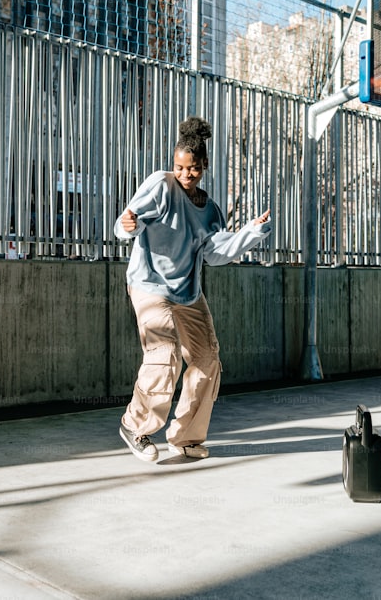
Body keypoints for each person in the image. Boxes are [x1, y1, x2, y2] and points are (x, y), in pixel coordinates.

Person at [114, 116, 271, 462]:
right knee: (164, 353)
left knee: (206, 360)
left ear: (204, 167)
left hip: (188, 293)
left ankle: (185, 436)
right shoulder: (160, 185)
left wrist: (250, 233)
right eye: (180, 167)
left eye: (194, 169)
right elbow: (128, 222)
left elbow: (216, 254)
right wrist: (128, 226)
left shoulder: (211, 211)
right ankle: (135, 426)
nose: (186, 175)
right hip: (149, 285)